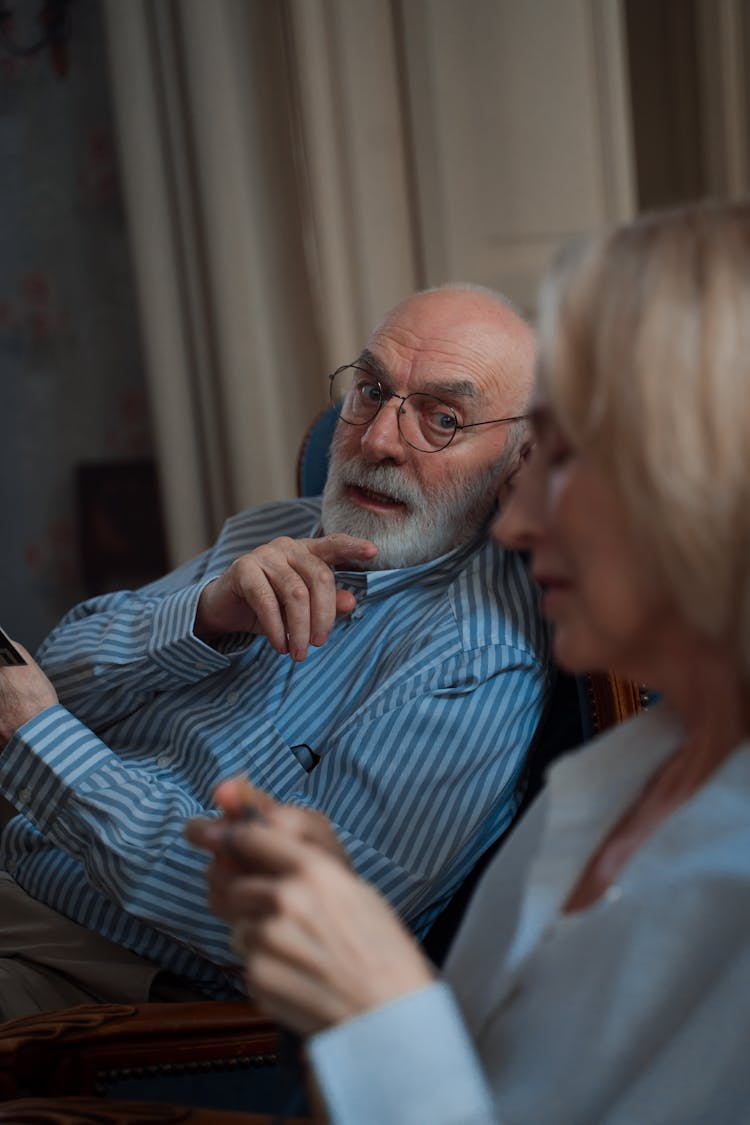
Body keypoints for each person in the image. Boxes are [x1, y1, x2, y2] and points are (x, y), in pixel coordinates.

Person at [190, 199, 750, 1123]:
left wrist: (382, 1008)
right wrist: (334, 950)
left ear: (710, 480)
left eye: (563, 460)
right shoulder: (621, 773)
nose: (517, 521)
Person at [0, 285, 550, 1018]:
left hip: (118, 980)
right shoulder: (275, 527)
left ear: (519, 459)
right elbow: (50, 675)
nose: (379, 439)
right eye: (372, 391)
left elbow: (290, 934)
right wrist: (201, 616)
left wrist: (40, 743)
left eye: (442, 419)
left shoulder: (472, 662)